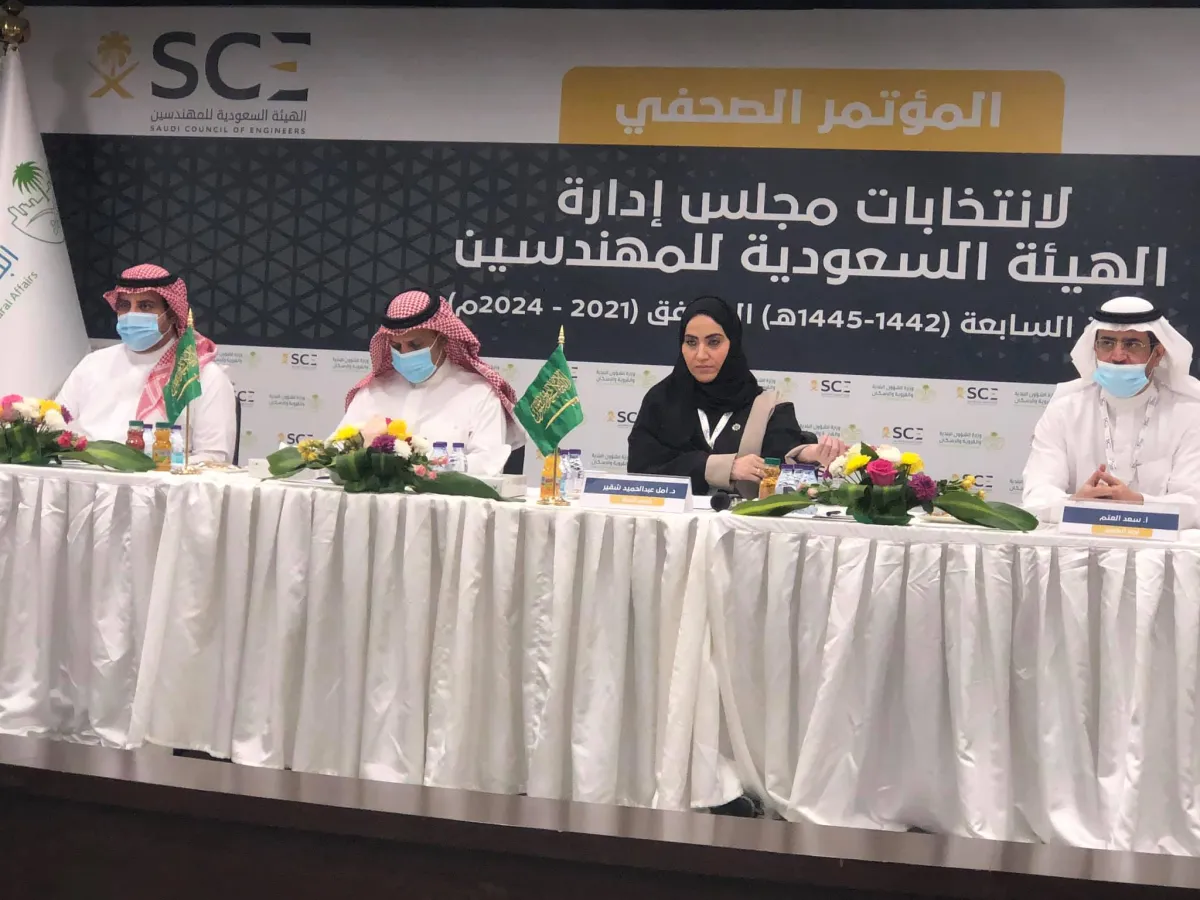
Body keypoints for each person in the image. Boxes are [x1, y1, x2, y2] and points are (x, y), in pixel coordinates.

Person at [628, 295, 847, 497]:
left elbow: (780, 457)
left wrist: (808, 454)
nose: (701, 355)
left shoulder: (767, 406)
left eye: (714, 342)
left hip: (742, 526)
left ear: (733, 343)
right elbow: (642, 470)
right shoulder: (661, 401)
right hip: (673, 524)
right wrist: (724, 467)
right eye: (691, 342)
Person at [1023, 296, 1200, 527]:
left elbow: (1194, 504)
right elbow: (1037, 495)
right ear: (1094, 348)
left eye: (1132, 345)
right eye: (1107, 343)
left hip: (1159, 546)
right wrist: (1076, 503)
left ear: (1157, 354)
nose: (1117, 356)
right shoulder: (1066, 408)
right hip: (1076, 543)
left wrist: (1138, 504)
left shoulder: (1190, 412)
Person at [55, 264, 237, 463]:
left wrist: (150, 470)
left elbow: (214, 458)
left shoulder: (203, 375)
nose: (132, 314)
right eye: (124, 306)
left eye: (146, 306)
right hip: (84, 475)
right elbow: (54, 426)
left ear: (172, 314)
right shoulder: (93, 363)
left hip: (158, 479)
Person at [339, 290, 521, 477]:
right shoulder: (372, 391)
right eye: (396, 346)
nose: (405, 353)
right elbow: (337, 450)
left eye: (415, 345)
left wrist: (426, 466)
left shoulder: (479, 393)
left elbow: (488, 463)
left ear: (442, 339)